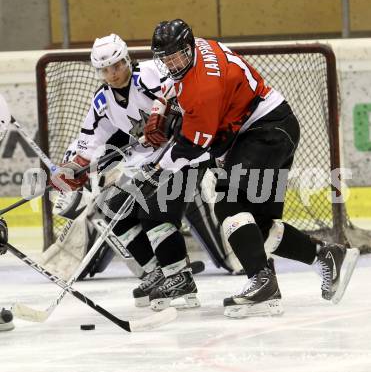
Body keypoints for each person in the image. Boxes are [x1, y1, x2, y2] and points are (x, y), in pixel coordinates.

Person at [140, 18, 359, 318]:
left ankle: (262, 282)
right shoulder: (200, 48)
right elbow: (174, 88)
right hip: (273, 128)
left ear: (189, 49)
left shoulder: (202, 89)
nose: (172, 63)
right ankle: (329, 256)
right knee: (256, 225)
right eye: (165, 58)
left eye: (177, 56)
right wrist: (161, 107)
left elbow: (192, 147)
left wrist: (157, 167)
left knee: (228, 205)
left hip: (263, 131)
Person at [51, 34, 200, 311]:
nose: (113, 74)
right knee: (111, 207)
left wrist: (167, 118)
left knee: (153, 208)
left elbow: (186, 98)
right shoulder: (102, 101)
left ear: (126, 60)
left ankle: (181, 276)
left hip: (180, 155)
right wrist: (72, 167)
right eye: (105, 69)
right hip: (144, 162)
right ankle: (158, 272)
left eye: (117, 65)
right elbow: (89, 142)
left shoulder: (150, 75)